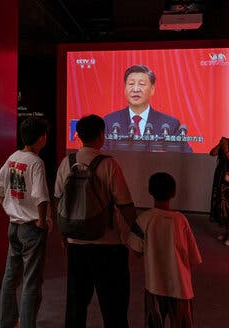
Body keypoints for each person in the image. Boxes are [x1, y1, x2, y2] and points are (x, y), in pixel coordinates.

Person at [54, 114, 137, 328]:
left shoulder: (67, 162)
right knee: (114, 306)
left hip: (76, 243)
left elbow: (59, 200)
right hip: (108, 244)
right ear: (102, 135)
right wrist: (137, 232)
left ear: (79, 136)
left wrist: (64, 233)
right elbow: (124, 203)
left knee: (76, 303)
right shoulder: (109, 164)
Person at [0, 116, 51, 328]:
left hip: (14, 226)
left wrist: (10, 207)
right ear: (41, 138)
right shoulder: (36, 162)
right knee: (31, 280)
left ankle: (7, 322)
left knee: (10, 278)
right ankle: (27, 324)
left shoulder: (13, 157)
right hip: (31, 227)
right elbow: (41, 196)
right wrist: (42, 222)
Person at [127, 172, 202, 328]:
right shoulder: (181, 220)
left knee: (153, 322)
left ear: (149, 191)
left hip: (154, 285)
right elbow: (194, 257)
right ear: (174, 193)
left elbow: (135, 250)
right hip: (181, 287)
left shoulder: (144, 219)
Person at [103, 64, 191, 152]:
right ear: (125, 88)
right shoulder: (109, 122)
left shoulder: (170, 124)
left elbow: (186, 158)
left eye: (141, 84)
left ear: (152, 89)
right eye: (131, 84)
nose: (136, 89)